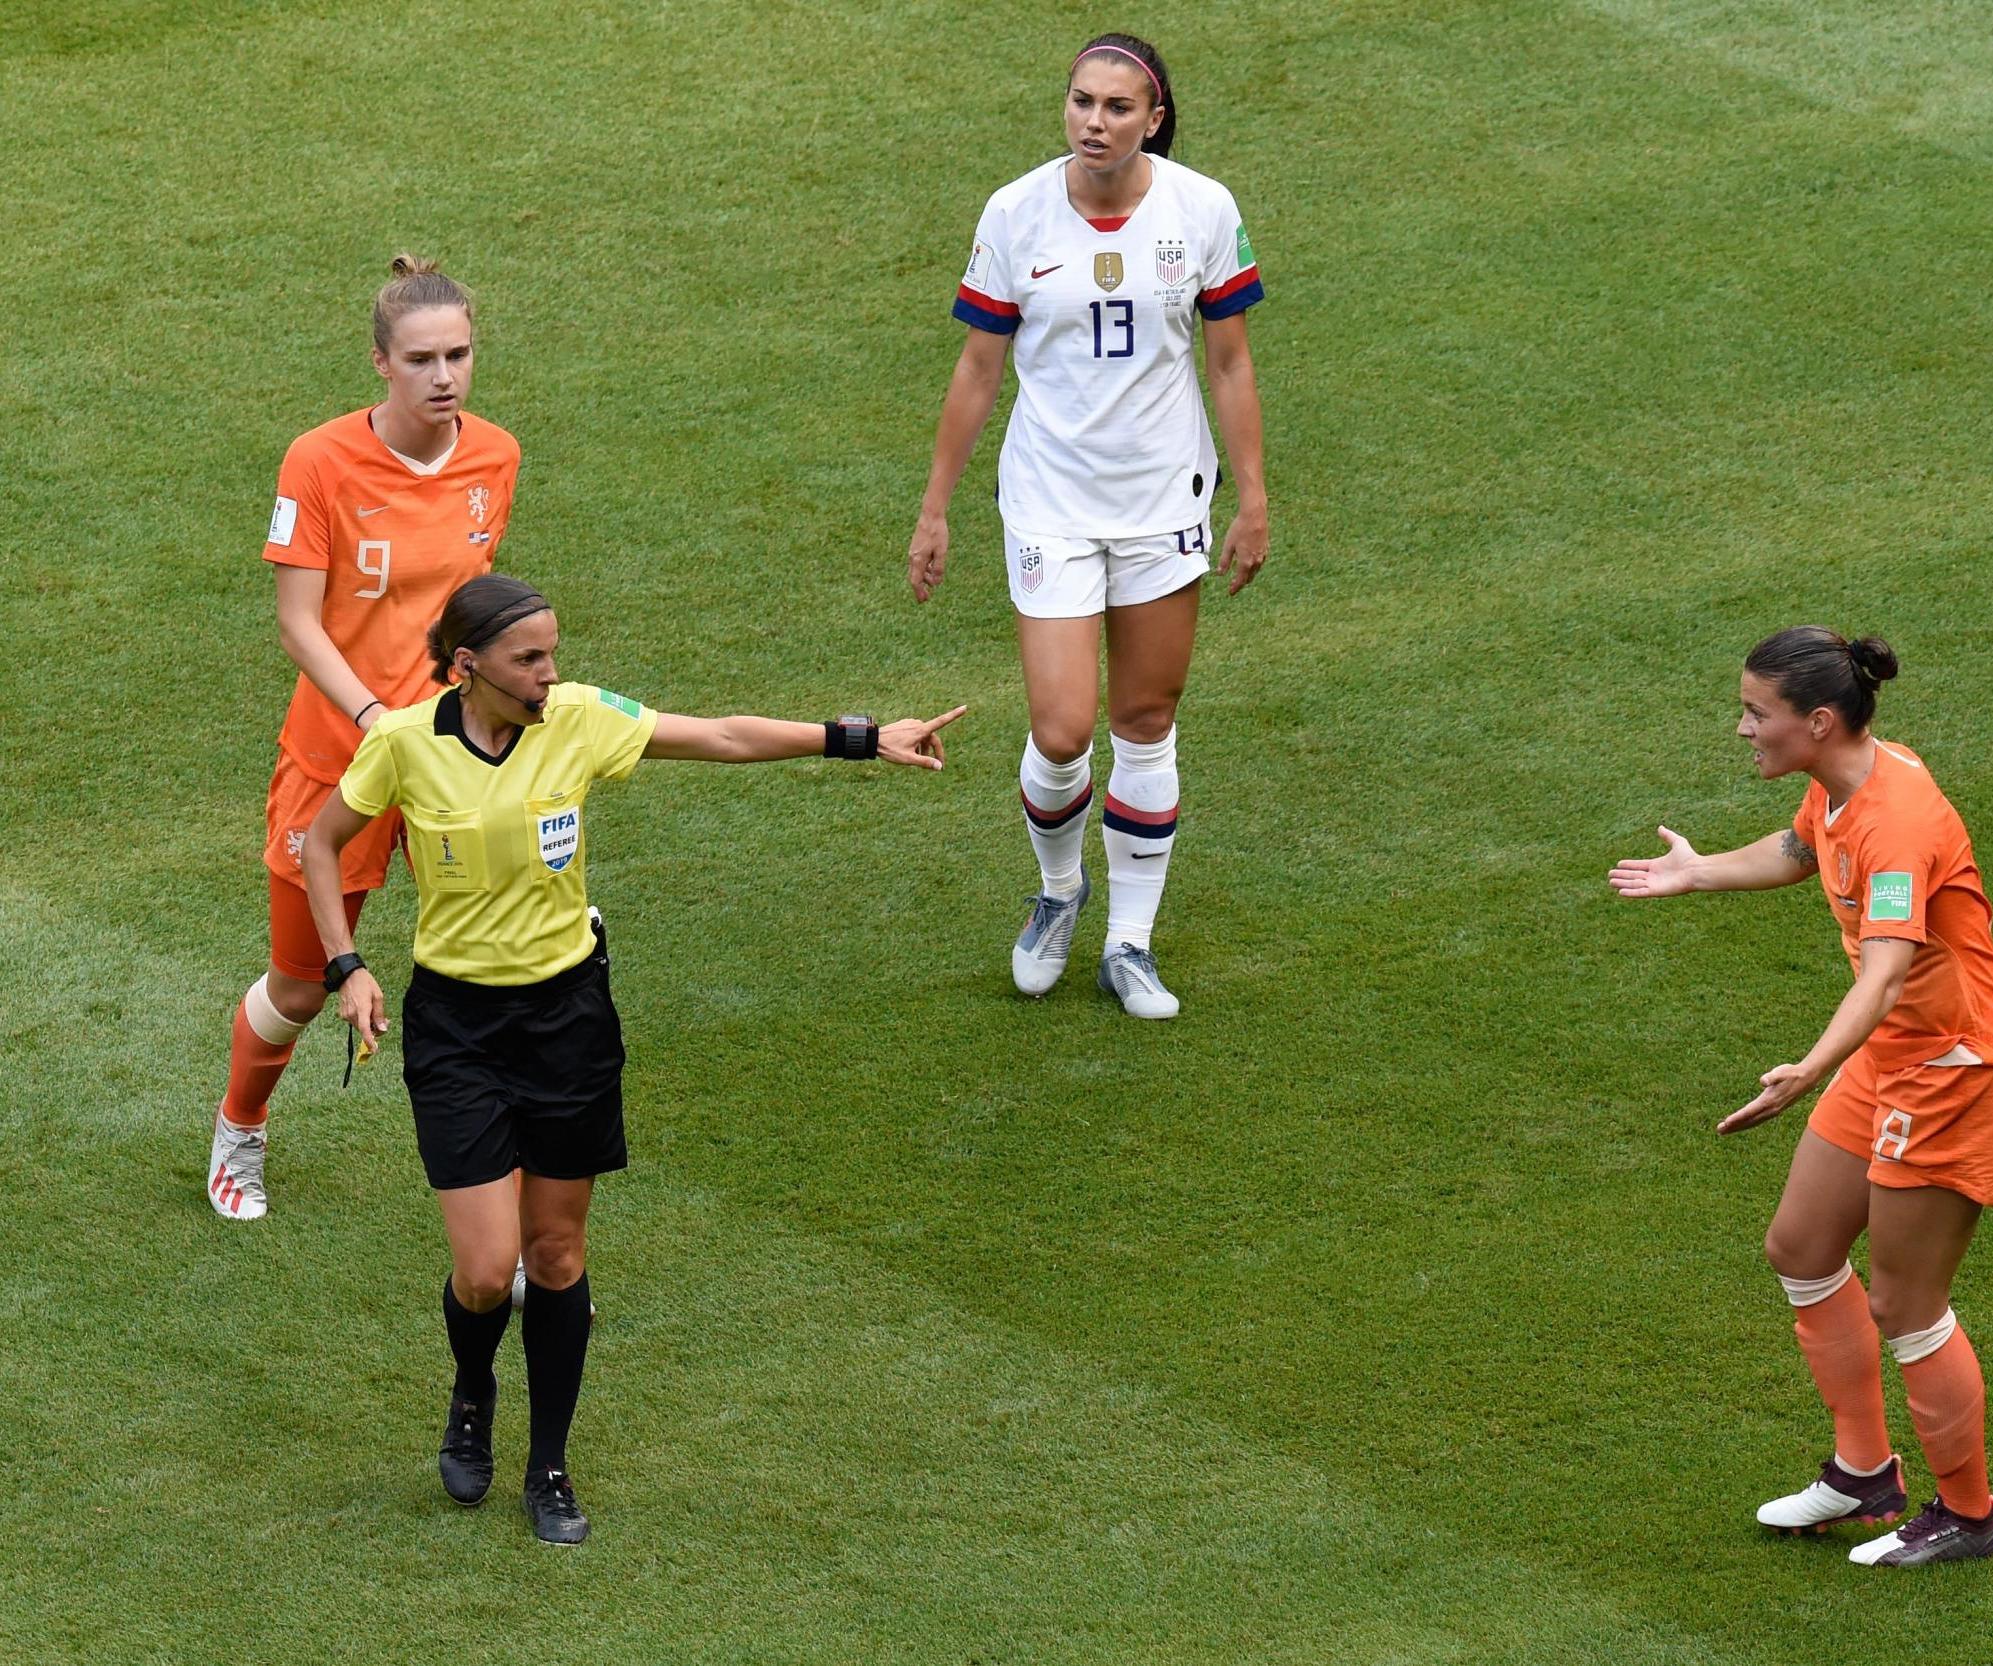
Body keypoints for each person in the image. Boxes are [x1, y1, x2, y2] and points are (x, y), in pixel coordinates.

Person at [303, 575, 964, 1543]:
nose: (550, 672)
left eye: (553, 652)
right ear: (467, 667)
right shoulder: (403, 742)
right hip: (456, 1027)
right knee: (487, 1270)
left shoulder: (576, 720)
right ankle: (474, 1391)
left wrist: (861, 736)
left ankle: (550, 1466)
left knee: (557, 1254)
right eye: (529, 658)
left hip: (567, 1017)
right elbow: (321, 847)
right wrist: (347, 967)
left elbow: (721, 735)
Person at [1608, 628, 1993, 1567]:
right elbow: (1799, 849)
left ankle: (1967, 1516)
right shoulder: (1839, 780)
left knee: (1905, 1304)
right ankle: (1862, 1476)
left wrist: (1807, 1069)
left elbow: (1884, 976)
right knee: (1799, 1246)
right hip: (1893, 1053)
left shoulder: (1897, 821)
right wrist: (1697, 869)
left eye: (1756, 714)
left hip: (1958, 1069)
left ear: (1815, 721)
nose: (1741, 728)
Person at [908, 31, 1268, 1019]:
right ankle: (1059, 891)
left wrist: (1252, 496)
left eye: (1115, 108)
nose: (1093, 123)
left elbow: (1229, 364)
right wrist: (935, 507)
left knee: (1144, 721)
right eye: (1079, 103)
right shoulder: (1014, 212)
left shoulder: (1202, 210)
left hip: (1162, 500)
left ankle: (1130, 941)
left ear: (1152, 119)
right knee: (1063, 730)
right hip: (1051, 500)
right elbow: (978, 368)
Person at [209, 255, 518, 1221]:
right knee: (301, 987)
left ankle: (502, 1190)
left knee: (486, 971)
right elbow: (299, 620)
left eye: (459, 354)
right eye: (422, 358)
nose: (444, 377)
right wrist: (376, 719)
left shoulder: (494, 457)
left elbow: (466, 610)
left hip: (447, 762)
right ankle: (239, 1130)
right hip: (336, 759)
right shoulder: (319, 461)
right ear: (379, 362)